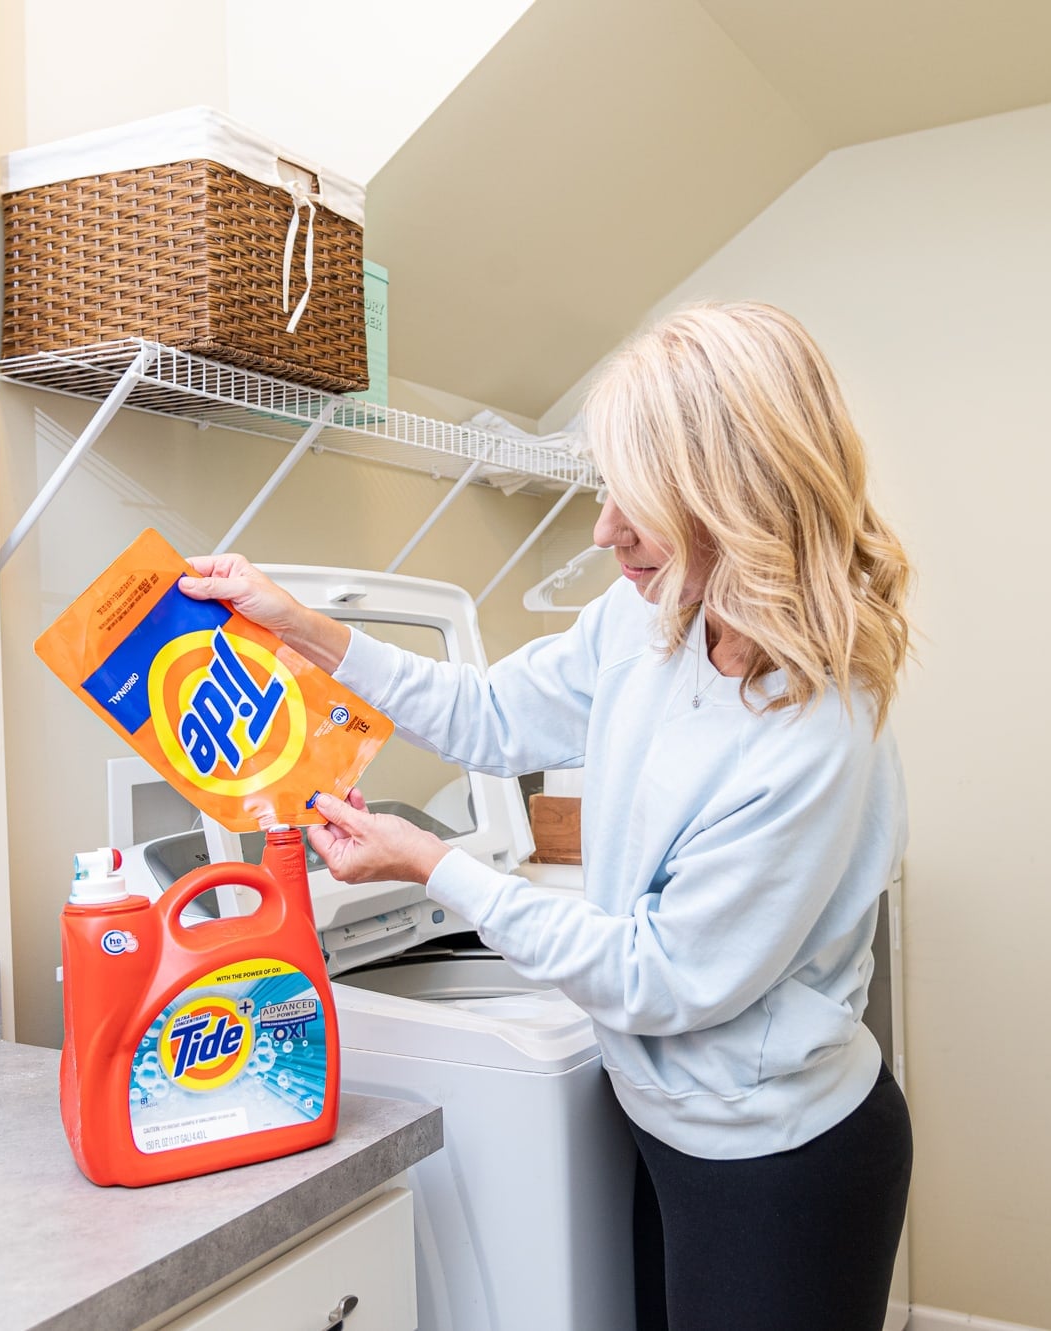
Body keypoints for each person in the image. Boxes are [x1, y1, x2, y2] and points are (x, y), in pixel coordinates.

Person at [179, 301, 913, 1331]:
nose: (606, 529)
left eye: (640, 499)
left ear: (735, 498)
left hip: (778, 1158)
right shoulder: (653, 615)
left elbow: (660, 975)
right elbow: (488, 713)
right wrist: (303, 628)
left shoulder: (812, 726)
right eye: (608, 487)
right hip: (667, 1126)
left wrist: (432, 864)